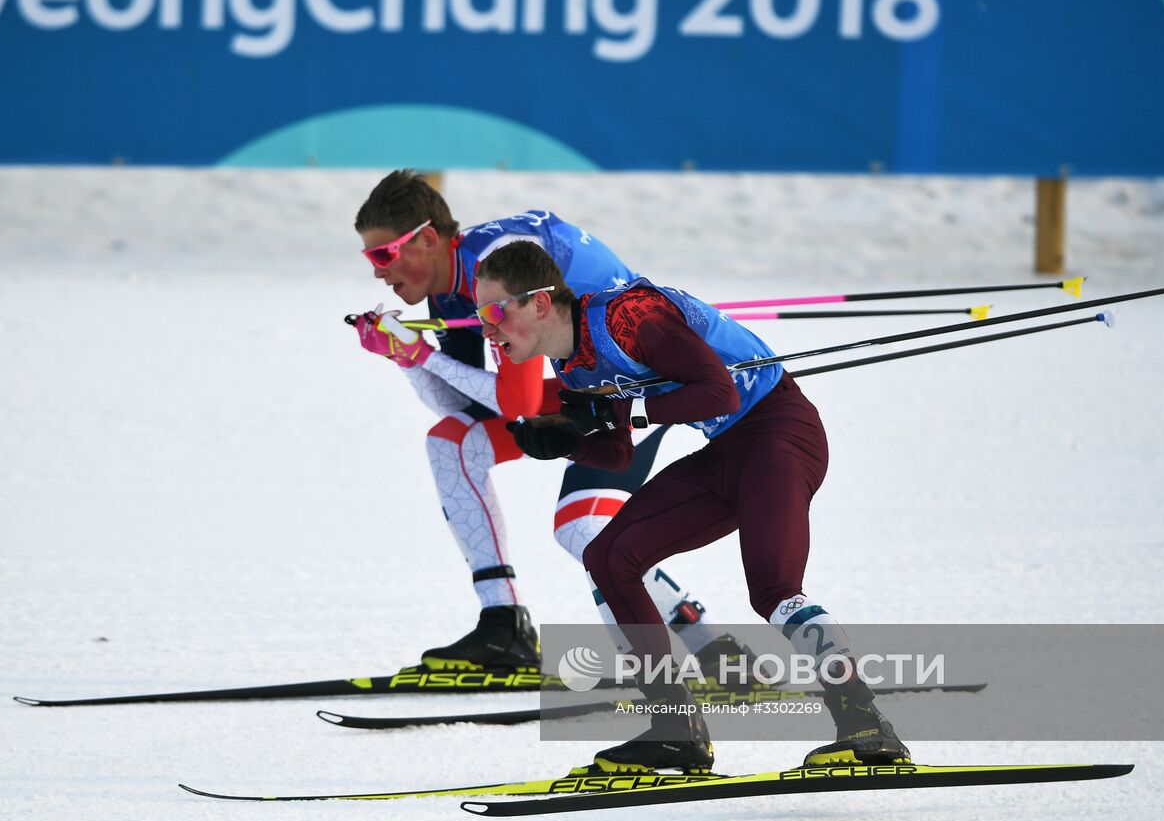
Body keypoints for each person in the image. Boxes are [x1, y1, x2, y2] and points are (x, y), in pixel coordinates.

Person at [471, 239, 911, 772]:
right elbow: (615, 454)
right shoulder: (571, 368)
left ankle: (866, 724)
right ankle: (675, 726)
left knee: (772, 588)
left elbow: (720, 392)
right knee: (610, 556)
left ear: (540, 302)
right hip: (727, 452)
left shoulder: (628, 316)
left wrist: (626, 411)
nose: (486, 329)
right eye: (480, 316)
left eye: (495, 312)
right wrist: (567, 440)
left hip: (780, 433)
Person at [351, 170, 742, 674]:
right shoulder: (452, 288)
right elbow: (462, 405)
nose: (379, 273)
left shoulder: (495, 274)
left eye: (384, 255)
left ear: (427, 239)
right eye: (369, 259)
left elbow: (515, 403)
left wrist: (421, 353)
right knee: (453, 442)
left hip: (634, 385)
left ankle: (711, 649)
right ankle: (504, 625)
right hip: (579, 385)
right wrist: (406, 358)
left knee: (582, 526)